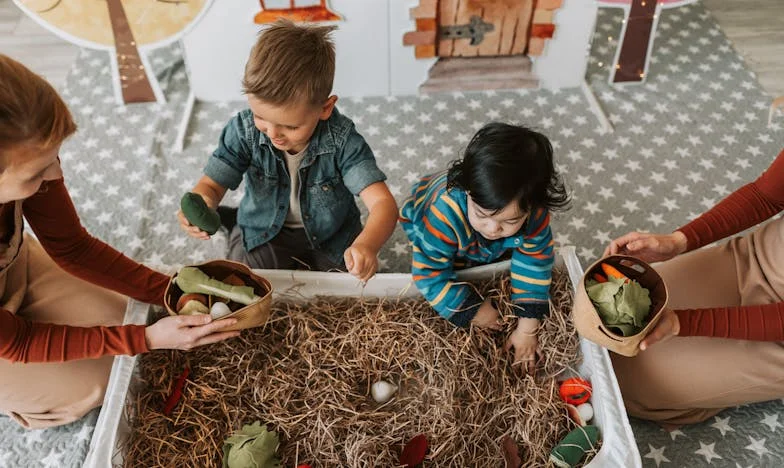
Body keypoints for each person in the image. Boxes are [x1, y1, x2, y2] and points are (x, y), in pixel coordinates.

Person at [0, 55, 240, 429]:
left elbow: (72, 247)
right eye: (36, 172)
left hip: (14, 269)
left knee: (123, 317)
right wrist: (143, 339)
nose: (56, 174)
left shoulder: (28, 158)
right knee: (99, 381)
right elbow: (16, 343)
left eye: (56, 157)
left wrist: (168, 291)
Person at [178, 20, 398, 283]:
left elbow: (384, 204)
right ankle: (234, 223)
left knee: (353, 286)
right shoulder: (244, 131)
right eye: (261, 116)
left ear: (325, 108)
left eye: (290, 126)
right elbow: (212, 185)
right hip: (264, 231)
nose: (272, 133)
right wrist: (204, 202)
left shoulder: (342, 140)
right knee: (242, 279)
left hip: (332, 236)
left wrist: (367, 246)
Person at [604, 147, 784, 427]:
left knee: (625, 389)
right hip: (757, 258)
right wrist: (678, 242)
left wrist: (683, 323)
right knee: (612, 336)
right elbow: (766, 195)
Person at [399, 123, 570, 373]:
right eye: (482, 214)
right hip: (424, 221)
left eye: (510, 220)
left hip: (473, 234)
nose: (492, 228)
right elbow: (428, 273)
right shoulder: (443, 214)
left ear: (533, 206)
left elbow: (535, 263)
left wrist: (527, 329)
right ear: (467, 192)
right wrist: (472, 310)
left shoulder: (535, 214)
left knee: (516, 251)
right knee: (448, 261)